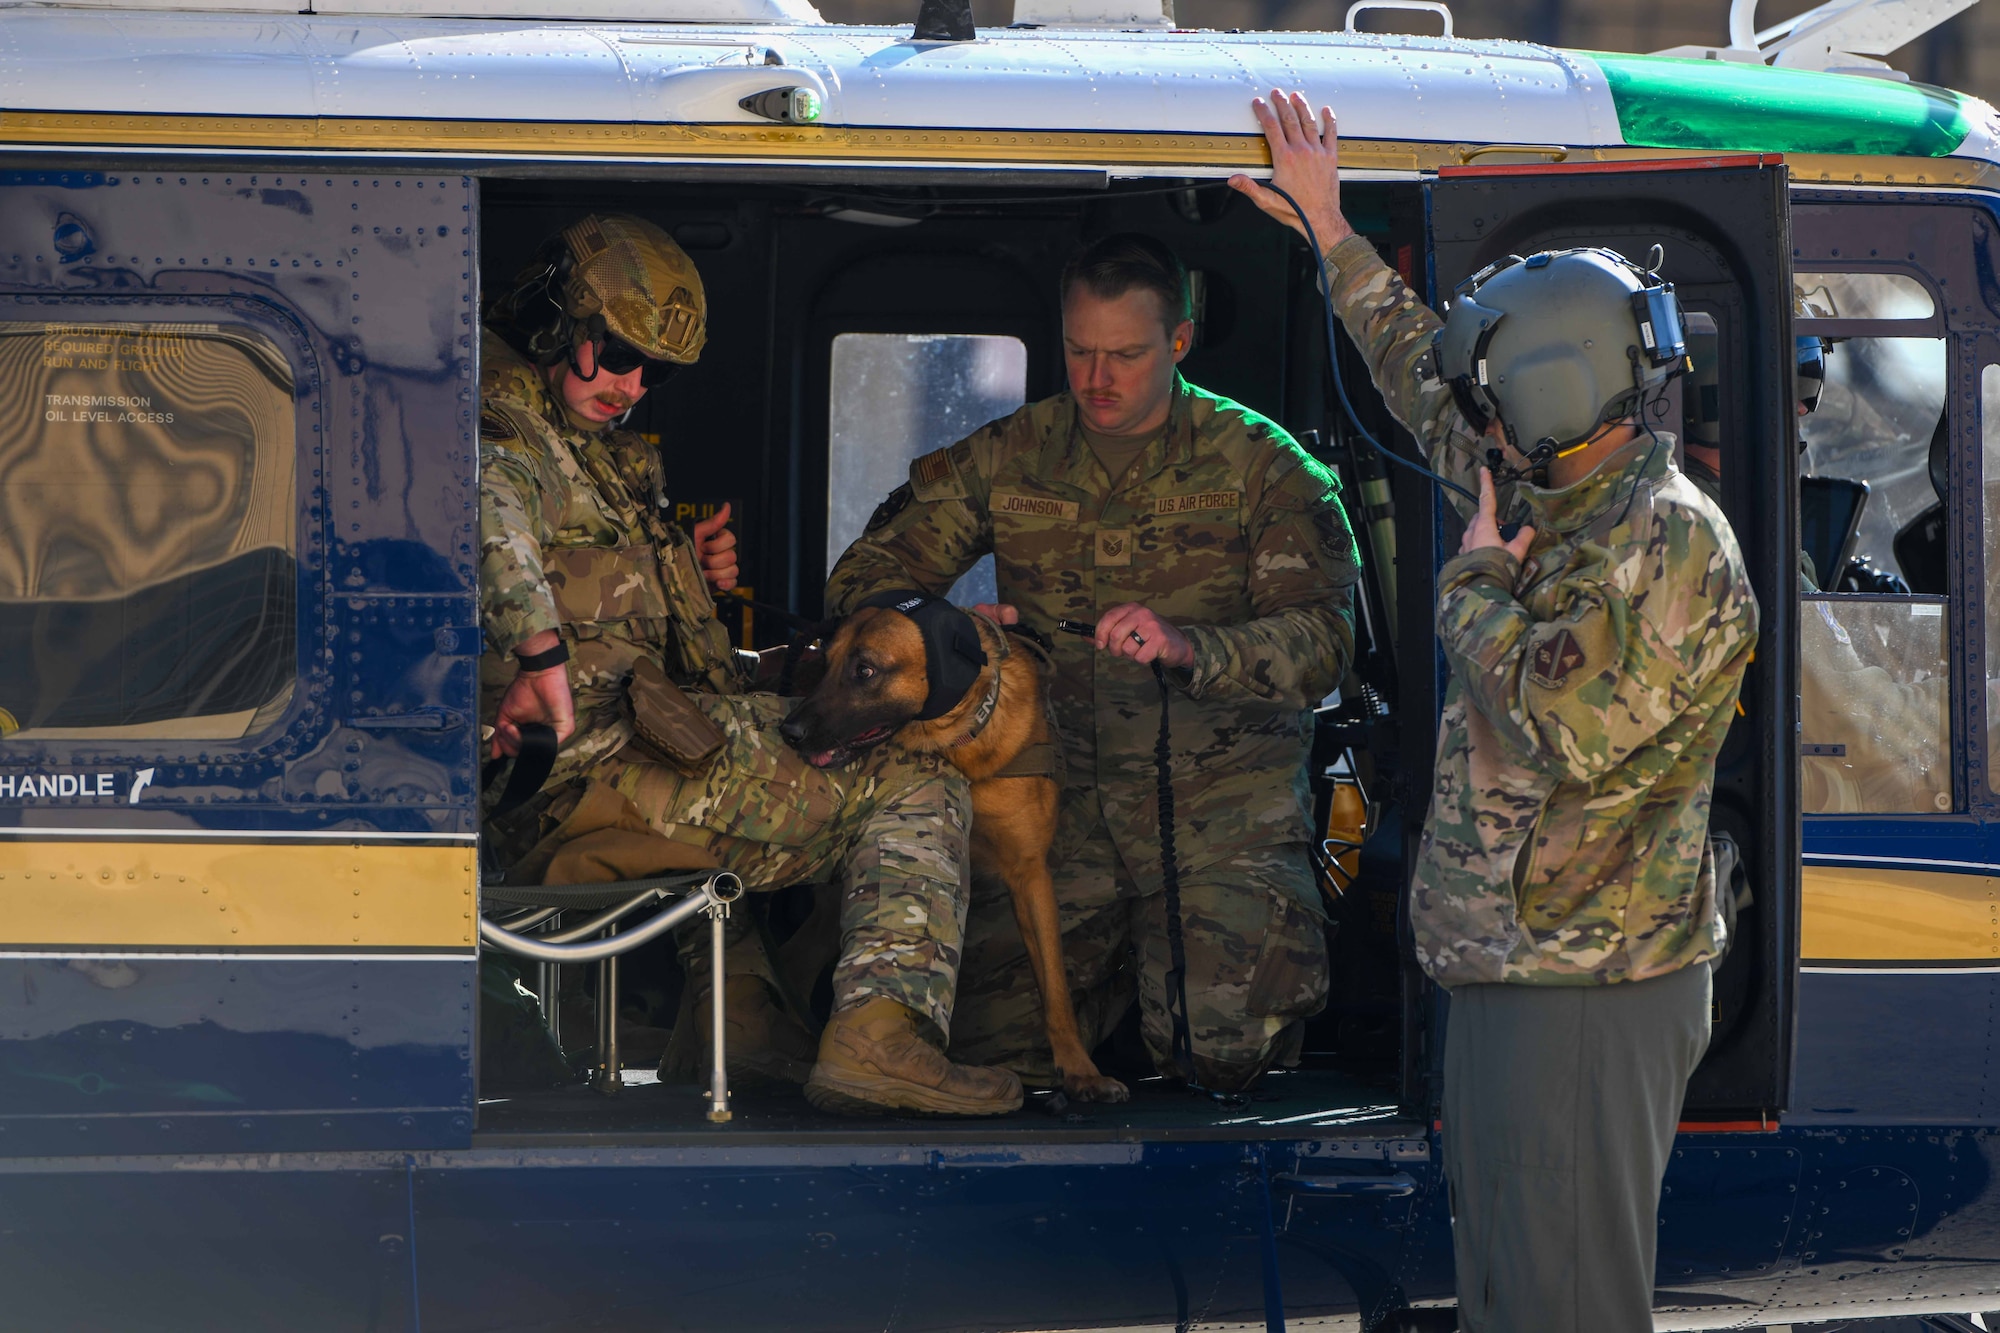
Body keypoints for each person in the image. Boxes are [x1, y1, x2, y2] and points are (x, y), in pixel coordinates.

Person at [1230, 93, 1758, 1331]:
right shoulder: (1546, 475)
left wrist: (1470, 585)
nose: (1472, 416)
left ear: (1546, 391)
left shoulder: (1662, 544)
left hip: (1584, 987)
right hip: (1516, 971)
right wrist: (1329, 231)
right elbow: (1427, 379)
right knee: (1512, 1293)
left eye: (1494, 394)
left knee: (1559, 1302)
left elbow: (1557, 724)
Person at [478, 213, 1021, 1117]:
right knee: (917, 778)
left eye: (652, 371)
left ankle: (742, 1024)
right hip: (576, 770)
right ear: (556, 325)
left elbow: (647, 661)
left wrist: (682, 583)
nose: (630, 384)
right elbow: (491, 516)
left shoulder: (597, 459)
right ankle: (881, 1034)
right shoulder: (513, 434)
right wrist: (538, 653)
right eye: (618, 354)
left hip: (622, 754)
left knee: (777, 737)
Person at [825, 232, 1361, 1094]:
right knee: (981, 1050)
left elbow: (1327, 642)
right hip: (1054, 817)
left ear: (1178, 342)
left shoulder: (1264, 467)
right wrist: (942, 633)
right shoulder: (1013, 453)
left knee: (1220, 1057)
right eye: (1079, 351)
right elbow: (865, 577)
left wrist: (1193, 647)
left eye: (1126, 355)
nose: (1097, 378)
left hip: (1217, 823)